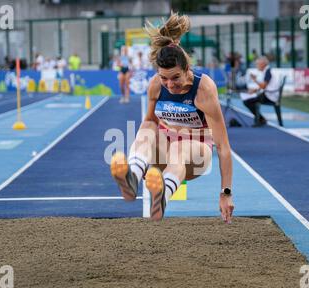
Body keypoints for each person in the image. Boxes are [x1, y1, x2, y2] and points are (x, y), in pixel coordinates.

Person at [110, 12, 234, 223]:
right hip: (164, 152)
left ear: (187, 68)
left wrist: (226, 192)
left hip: (196, 156)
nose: (170, 84)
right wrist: (145, 142)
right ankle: (132, 177)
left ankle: (162, 197)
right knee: (148, 128)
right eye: (164, 78)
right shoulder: (156, 86)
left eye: (175, 77)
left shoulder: (203, 89)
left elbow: (223, 146)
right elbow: (149, 121)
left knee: (179, 148)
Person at [241, 56, 279, 127]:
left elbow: (264, 86)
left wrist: (255, 80)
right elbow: (265, 86)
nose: (257, 66)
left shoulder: (268, 72)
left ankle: (261, 119)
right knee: (250, 99)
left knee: (247, 101)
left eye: (257, 64)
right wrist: (255, 90)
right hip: (269, 94)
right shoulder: (267, 71)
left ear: (263, 64)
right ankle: (261, 119)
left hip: (270, 96)